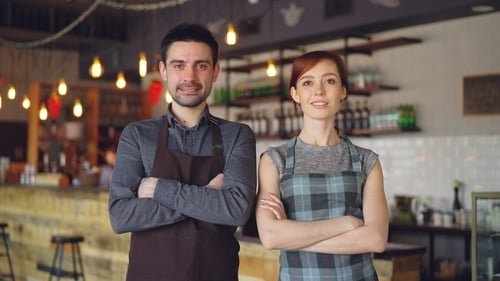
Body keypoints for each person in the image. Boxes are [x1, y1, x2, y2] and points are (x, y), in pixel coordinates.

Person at [108, 23, 257, 281]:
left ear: (215, 71)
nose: (189, 77)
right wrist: (207, 198)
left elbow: (237, 210)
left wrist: (160, 190)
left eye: (201, 65)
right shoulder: (137, 135)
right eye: (179, 65)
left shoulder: (238, 135)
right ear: (163, 71)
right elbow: (121, 216)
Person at [256, 51, 388, 280]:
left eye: (329, 81)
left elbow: (375, 239)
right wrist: (346, 223)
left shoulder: (368, 161)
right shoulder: (274, 160)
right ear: (295, 94)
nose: (319, 91)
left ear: (343, 91)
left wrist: (293, 236)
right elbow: (270, 237)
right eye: (308, 82)